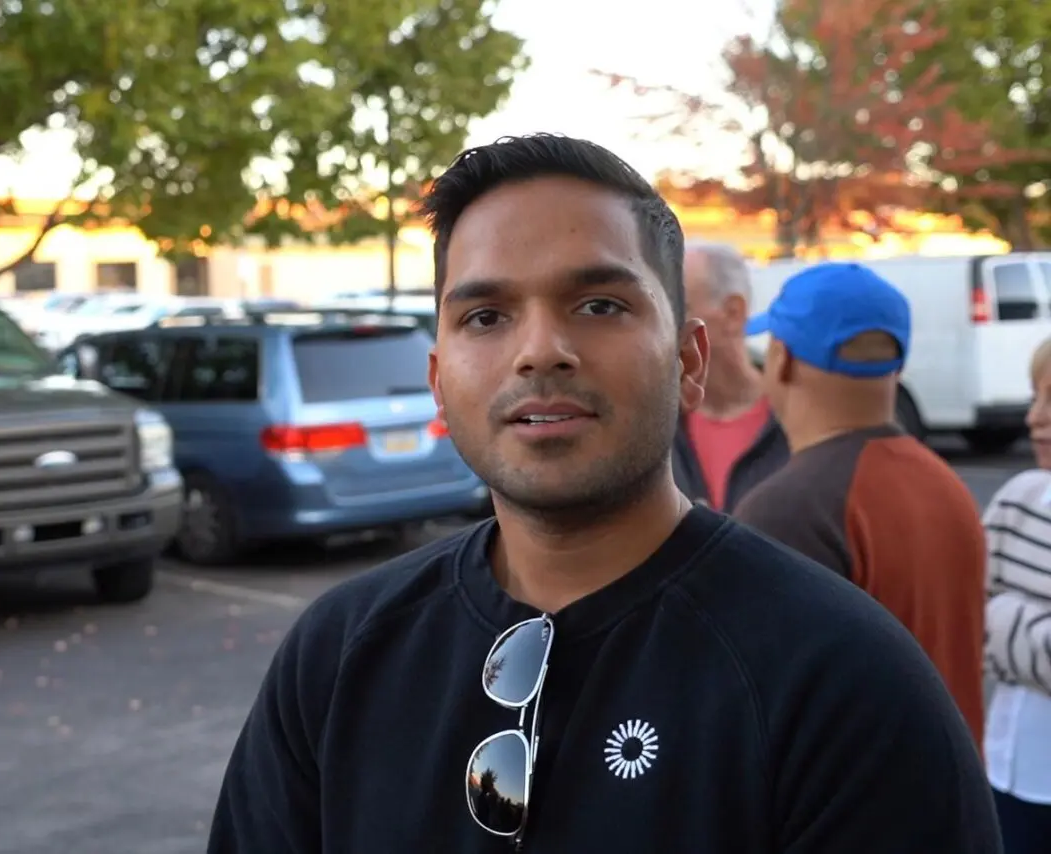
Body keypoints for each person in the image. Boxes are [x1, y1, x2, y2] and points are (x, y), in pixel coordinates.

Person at [206, 134, 1000, 853]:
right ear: (438, 381)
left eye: (599, 305)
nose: (540, 350)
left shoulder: (841, 682)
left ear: (691, 361)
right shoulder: (340, 656)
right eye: (485, 316)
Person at [731, 262, 987, 751]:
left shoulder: (788, 507)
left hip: (855, 815)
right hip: (954, 798)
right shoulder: (945, 484)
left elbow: (758, 710)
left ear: (782, 360)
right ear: (898, 362)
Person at [980, 334, 1051, 853]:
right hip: (1008, 770)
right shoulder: (1020, 499)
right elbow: (968, 620)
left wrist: (1001, 616)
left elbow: (986, 620)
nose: (1035, 418)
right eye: (1034, 397)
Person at [673, 243, 788, 510]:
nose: (661, 324)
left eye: (679, 308)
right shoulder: (652, 425)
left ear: (733, 313)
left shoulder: (800, 421)